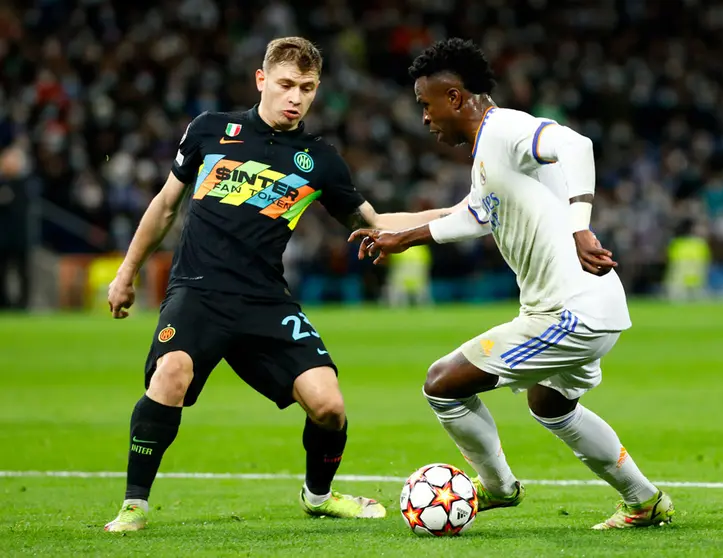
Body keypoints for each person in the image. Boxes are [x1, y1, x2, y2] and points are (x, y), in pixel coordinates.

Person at [104, 37, 457, 532]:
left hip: (265, 301)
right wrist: (126, 274)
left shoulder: (319, 160)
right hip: (198, 293)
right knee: (171, 375)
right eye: (287, 85)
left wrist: (459, 212)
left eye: (307, 89)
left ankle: (318, 497)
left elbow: (376, 222)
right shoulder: (209, 132)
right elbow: (165, 206)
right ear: (262, 80)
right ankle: (134, 506)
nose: (296, 97)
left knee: (329, 407)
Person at [349, 38, 675, 529]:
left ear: (455, 97)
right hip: (591, 306)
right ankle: (644, 501)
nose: (424, 117)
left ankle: (499, 489)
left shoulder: (505, 129)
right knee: (552, 405)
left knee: (442, 384)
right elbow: (476, 215)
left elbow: (575, 145)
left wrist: (580, 224)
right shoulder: (487, 155)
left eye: (426, 103)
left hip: (570, 312)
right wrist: (403, 237)